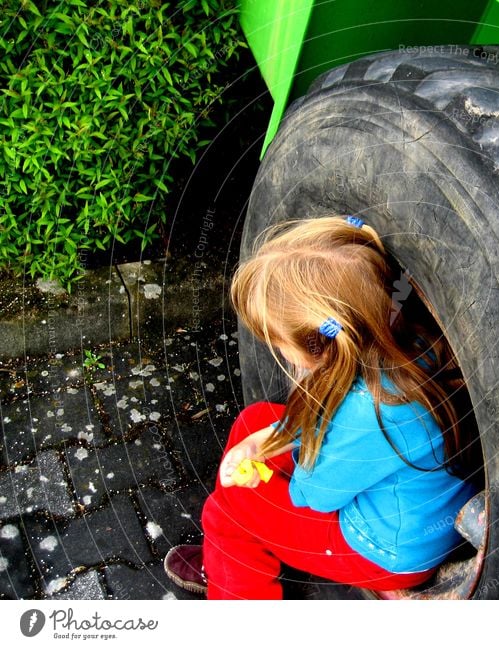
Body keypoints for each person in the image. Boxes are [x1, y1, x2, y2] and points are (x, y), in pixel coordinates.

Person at [164, 215, 480, 599]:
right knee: (255, 421)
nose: (276, 349)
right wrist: (264, 442)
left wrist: (266, 468)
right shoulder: (403, 343)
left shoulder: (370, 412)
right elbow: (329, 425)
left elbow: (311, 495)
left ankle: (232, 571)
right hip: (417, 510)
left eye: (278, 341)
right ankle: (230, 557)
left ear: (321, 344)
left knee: (229, 509)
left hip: (384, 554)